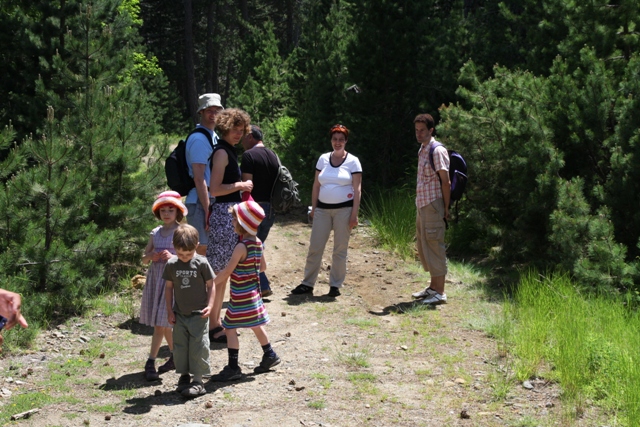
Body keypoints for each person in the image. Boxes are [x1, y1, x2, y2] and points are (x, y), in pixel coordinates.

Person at [209, 201, 280, 381]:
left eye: (234, 219)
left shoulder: (241, 247)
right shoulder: (258, 243)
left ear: (243, 223)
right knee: (256, 324)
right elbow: (262, 267)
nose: (232, 222)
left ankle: (233, 367)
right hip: (253, 294)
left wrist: (211, 284)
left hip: (240, 295)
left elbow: (227, 271)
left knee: (229, 328)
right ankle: (270, 354)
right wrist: (249, 269)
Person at [291, 124, 362, 297]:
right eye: (335, 139)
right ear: (331, 140)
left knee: (340, 249)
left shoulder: (353, 161)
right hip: (322, 210)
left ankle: (335, 285)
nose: (337, 142)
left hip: (344, 210)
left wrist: (354, 214)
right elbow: (316, 185)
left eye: (341, 140)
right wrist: (313, 208)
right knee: (315, 247)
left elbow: (357, 189)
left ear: (346, 141)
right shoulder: (323, 159)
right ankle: (307, 283)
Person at [206, 108, 253, 343]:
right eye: (234, 129)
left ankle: (215, 323)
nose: (238, 134)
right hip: (224, 217)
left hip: (228, 217)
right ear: (224, 128)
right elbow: (214, 189)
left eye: (241, 130)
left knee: (223, 274)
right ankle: (211, 325)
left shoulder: (229, 151)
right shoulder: (222, 153)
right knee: (219, 274)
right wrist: (241, 185)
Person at [163, 224, 216, 397]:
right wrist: (169, 310)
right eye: (180, 254)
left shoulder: (202, 263)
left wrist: (210, 305)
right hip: (179, 314)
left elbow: (211, 285)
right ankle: (184, 377)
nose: (184, 257)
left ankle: (198, 381)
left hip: (199, 314)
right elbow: (169, 288)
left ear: (196, 246)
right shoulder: (171, 264)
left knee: (198, 346)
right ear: (174, 247)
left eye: (188, 254)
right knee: (180, 346)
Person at [139, 191, 186, 381]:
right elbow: (144, 259)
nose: (166, 213)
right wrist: (151, 256)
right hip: (155, 280)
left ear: (178, 212)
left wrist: (172, 257)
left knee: (161, 324)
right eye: (163, 210)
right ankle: (175, 356)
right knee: (164, 324)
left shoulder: (181, 232)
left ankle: (150, 361)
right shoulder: (155, 233)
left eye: (170, 210)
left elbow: (188, 258)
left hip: (171, 282)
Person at [411, 113, 450, 305]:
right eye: (416, 130)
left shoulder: (437, 151)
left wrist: (446, 208)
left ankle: (440, 292)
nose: (419, 133)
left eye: (422, 130)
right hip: (423, 204)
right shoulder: (423, 149)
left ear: (431, 130)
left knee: (434, 244)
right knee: (425, 244)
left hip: (434, 205)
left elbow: (446, 182)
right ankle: (433, 287)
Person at [240, 124, 280, 298]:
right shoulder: (273, 155)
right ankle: (261, 285)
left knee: (251, 246)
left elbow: (246, 186)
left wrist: (242, 210)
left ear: (250, 136)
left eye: (243, 136)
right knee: (258, 244)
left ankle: (260, 285)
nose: (241, 140)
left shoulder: (248, 155)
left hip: (254, 208)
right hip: (271, 208)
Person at [185, 93, 223, 256]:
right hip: (200, 203)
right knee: (201, 248)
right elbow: (199, 178)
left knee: (210, 249)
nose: (213, 114)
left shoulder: (213, 136)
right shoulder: (200, 139)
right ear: (201, 112)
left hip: (208, 200)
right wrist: (208, 210)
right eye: (209, 110)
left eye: (217, 110)